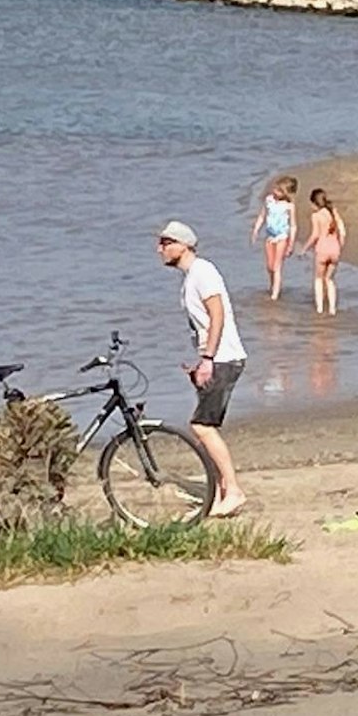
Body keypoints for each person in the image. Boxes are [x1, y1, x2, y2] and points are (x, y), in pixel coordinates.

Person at [158, 221, 248, 518]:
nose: (161, 249)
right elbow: (204, 325)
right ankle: (222, 491)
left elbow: (217, 313)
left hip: (224, 358)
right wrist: (199, 362)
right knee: (204, 428)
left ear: (184, 245)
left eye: (166, 242)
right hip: (214, 359)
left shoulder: (203, 272)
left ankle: (233, 491)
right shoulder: (191, 277)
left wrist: (208, 358)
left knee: (202, 426)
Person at [249, 176, 298, 301]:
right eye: (275, 189)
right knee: (269, 266)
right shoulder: (269, 200)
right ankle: (272, 285)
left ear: (285, 193)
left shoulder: (289, 206)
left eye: (279, 190)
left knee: (277, 266)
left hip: (282, 236)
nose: (275, 192)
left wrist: (291, 243)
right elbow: (262, 216)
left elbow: (293, 225)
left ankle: (275, 294)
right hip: (270, 236)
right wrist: (256, 230)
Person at [302, 187, 346, 316]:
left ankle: (320, 308)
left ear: (314, 203)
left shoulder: (316, 216)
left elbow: (315, 235)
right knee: (329, 279)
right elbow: (342, 230)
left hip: (322, 249)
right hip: (335, 249)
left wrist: (305, 248)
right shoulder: (333, 212)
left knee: (318, 279)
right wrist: (340, 244)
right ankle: (332, 309)